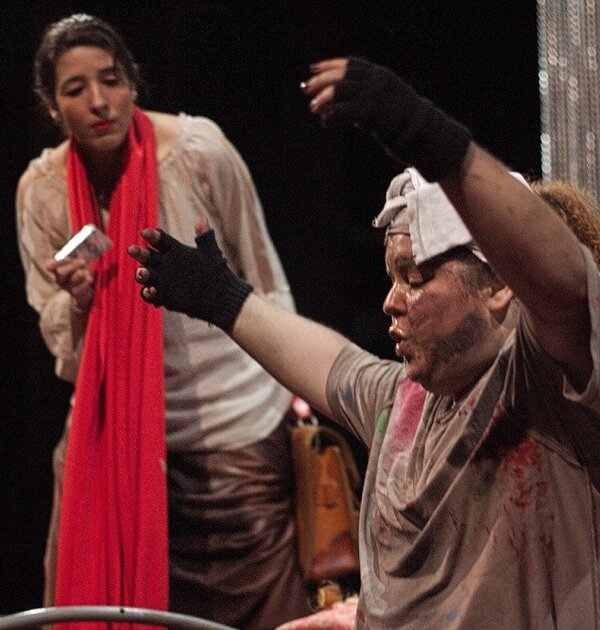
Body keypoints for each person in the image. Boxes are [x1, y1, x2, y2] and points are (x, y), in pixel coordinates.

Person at [128, 56, 600, 628]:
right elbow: (337, 366)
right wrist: (223, 299)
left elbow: (564, 285)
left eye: (415, 277)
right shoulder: (408, 402)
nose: (391, 301)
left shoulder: (548, 385)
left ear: (499, 284)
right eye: (391, 277)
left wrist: (429, 135)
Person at [16, 13, 311, 629]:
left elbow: (263, 271)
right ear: (51, 106)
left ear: (134, 82)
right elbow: (61, 346)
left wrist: (295, 380)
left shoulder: (199, 153)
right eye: (76, 89)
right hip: (110, 433)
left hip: (230, 424)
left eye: (112, 80)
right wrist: (79, 302)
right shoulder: (42, 190)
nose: (100, 102)